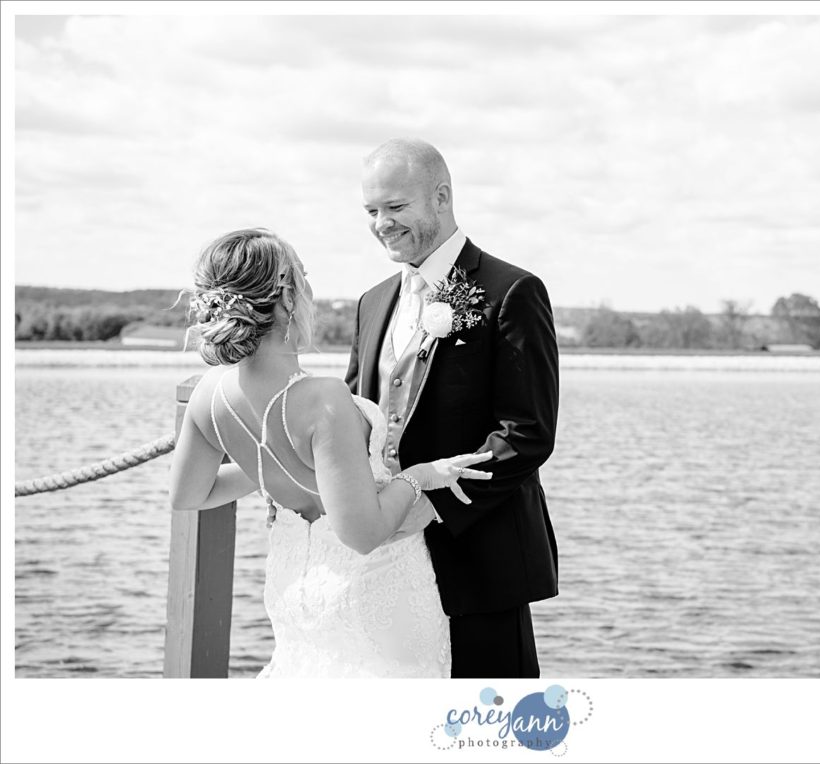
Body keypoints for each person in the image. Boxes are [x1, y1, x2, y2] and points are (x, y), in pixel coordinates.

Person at [168, 228, 492, 678]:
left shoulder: (209, 395)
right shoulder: (323, 400)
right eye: (303, 275)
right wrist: (420, 475)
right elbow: (363, 534)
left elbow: (188, 495)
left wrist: (268, 469)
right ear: (284, 297)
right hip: (374, 596)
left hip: (293, 592)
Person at [347, 138, 559, 678]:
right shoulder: (372, 303)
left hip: (481, 557)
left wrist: (434, 504)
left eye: (395, 208)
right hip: (385, 555)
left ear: (440, 197)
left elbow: (526, 433)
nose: (381, 224)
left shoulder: (511, 291)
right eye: (371, 210)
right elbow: (358, 416)